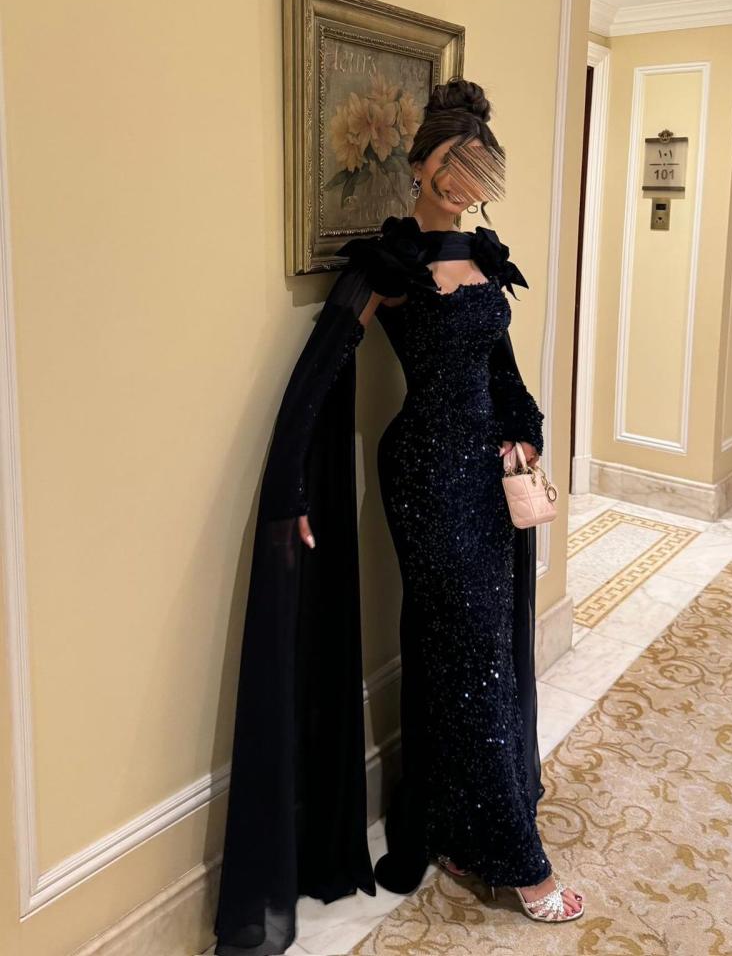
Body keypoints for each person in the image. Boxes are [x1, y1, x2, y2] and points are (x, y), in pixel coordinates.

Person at [212, 78, 584, 956]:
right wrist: (291, 491)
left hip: (486, 477)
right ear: (419, 165)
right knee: (470, 659)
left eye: (478, 170)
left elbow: (503, 375)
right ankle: (520, 863)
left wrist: (523, 432)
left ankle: (454, 826)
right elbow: (316, 372)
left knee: (474, 655)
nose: (465, 184)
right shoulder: (390, 265)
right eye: (453, 166)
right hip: (425, 477)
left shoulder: (483, 256)